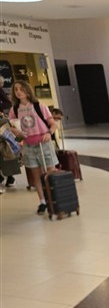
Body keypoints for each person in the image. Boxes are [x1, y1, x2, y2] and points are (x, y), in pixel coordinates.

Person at [8, 81, 58, 212]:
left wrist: (49, 133)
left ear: (27, 89)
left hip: (44, 143)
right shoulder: (14, 109)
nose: (18, 92)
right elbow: (12, 127)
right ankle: (42, 202)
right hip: (28, 146)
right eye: (16, 89)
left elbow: (53, 124)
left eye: (21, 89)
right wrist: (16, 132)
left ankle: (56, 199)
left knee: (51, 172)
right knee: (36, 176)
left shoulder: (39, 106)